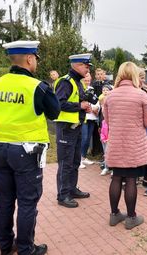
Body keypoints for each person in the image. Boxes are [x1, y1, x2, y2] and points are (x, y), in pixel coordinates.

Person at [0, 40, 60, 255]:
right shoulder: (37, 87)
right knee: (27, 202)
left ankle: (6, 247)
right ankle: (26, 249)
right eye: (35, 58)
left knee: (4, 200)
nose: (36, 62)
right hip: (26, 152)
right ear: (29, 59)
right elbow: (54, 112)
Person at [104, 61, 147, 230]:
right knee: (131, 179)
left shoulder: (110, 95)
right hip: (133, 145)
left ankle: (114, 214)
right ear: (134, 74)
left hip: (116, 144)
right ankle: (131, 217)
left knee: (116, 177)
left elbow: (108, 121)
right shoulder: (141, 95)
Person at [54, 54, 92, 208]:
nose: (88, 68)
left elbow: (78, 100)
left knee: (75, 161)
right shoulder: (65, 81)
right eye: (85, 65)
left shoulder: (78, 82)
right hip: (66, 128)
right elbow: (59, 103)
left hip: (76, 127)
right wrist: (80, 106)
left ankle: (71, 189)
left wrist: (85, 106)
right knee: (65, 163)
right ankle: (63, 195)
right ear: (75, 65)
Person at [80, 73, 99, 168]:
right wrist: (89, 106)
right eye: (85, 80)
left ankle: (83, 157)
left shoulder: (92, 89)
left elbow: (96, 100)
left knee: (88, 139)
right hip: (84, 118)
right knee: (83, 138)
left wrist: (95, 108)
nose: (87, 82)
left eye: (88, 80)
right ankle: (79, 159)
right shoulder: (80, 88)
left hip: (92, 117)